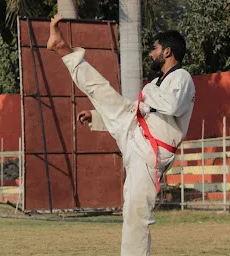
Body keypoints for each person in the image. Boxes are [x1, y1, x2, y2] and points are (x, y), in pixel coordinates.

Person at [47, 14, 195, 256]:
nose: (151, 53)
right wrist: (98, 117)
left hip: (150, 153)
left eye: (155, 48)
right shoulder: (158, 81)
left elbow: (174, 106)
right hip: (135, 131)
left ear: (168, 52)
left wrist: (146, 92)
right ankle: (63, 49)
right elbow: (143, 110)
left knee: (135, 216)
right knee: (101, 91)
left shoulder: (182, 78)